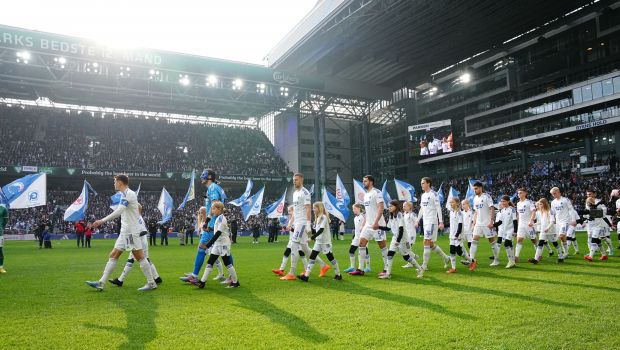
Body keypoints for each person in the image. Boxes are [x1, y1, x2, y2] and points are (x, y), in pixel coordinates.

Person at [85, 174, 157, 291]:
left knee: (140, 257)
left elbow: (119, 211)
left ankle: (151, 283)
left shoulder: (130, 194)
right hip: (124, 233)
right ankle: (101, 282)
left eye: (115, 181)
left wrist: (102, 221)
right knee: (113, 255)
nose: (114, 184)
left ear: (120, 182)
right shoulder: (124, 194)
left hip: (130, 232)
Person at [272, 173, 328, 280]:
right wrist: (290, 222)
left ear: (301, 180)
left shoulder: (305, 192)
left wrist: (307, 224)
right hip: (297, 222)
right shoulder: (295, 193)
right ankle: (323, 265)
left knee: (293, 245)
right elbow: (295, 211)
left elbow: (308, 209)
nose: (294, 181)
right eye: (293, 180)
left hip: (302, 223)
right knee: (305, 248)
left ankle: (291, 273)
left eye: (296, 180)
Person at [179, 169, 227, 283]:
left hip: (213, 224)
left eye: (203, 175)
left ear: (209, 176)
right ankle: (196, 275)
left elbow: (216, 206)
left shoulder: (212, 188)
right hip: (214, 223)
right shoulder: (215, 187)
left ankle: (195, 275)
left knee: (203, 248)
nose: (201, 177)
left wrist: (208, 222)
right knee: (224, 250)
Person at [108, 204, 163, 287]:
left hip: (139, 241)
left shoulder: (136, 217)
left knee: (134, 260)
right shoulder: (138, 216)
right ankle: (157, 278)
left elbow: (142, 231)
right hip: (141, 240)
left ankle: (121, 280)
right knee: (142, 259)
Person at [194, 202, 240, 288]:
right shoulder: (218, 218)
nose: (212, 210)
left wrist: (207, 245)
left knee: (227, 263)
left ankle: (235, 282)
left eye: (214, 209)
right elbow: (215, 228)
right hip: (218, 243)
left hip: (223, 244)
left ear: (219, 209)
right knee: (210, 262)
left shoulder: (222, 219)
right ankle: (202, 282)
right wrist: (208, 228)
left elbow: (218, 233)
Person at [350, 175, 389, 276]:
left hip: (378, 224)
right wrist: (365, 224)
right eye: (363, 181)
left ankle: (387, 269)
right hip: (368, 225)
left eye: (365, 181)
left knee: (382, 246)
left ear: (371, 182)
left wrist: (376, 222)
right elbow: (368, 211)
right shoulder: (366, 195)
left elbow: (381, 208)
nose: (363, 183)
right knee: (361, 244)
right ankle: (360, 269)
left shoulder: (377, 192)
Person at [414, 177, 449, 278]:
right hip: (425, 222)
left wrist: (441, 222)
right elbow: (422, 209)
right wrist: (417, 220)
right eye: (421, 183)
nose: (422, 185)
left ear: (428, 184)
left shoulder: (434, 194)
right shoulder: (423, 195)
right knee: (430, 244)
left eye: (423, 183)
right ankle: (446, 258)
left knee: (426, 242)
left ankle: (423, 267)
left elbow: (438, 208)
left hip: (432, 221)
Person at [297, 202, 342, 282]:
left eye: (314, 208)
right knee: (312, 256)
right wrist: (309, 230)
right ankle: (306, 276)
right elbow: (317, 230)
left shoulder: (323, 217)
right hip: (318, 242)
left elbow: (321, 230)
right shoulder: (317, 218)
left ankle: (338, 274)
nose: (313, 209)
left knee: (330, 257)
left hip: (325, 242)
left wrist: (312, 238)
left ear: (319, 208)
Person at [378, 200, 422, 279]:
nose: (389, 208)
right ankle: (388, 274)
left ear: (396, 206)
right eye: (389, 206)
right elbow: (388, 228)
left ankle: (420, 268)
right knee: (390, 254)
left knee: (406, 257)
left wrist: (398, 241)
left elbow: (401, 229)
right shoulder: (391, 216)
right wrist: (378, 227)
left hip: (402, 239)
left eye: (391, 206)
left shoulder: (399, 215)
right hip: (395, 238)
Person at [469, 181, 499, 271]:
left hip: (487, 223)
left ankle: (496, 260)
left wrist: (491, 221)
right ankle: (471, 260)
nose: (475, 190)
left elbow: (492, 208)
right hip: (478, 223)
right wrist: (474, 223)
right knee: (474, 240)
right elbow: (476, 212)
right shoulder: (475, 199)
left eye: (476, 188)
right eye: (474, 189)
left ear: (481, 188)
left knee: (492, 241)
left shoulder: (486, 196)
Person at [550, 187, 575, 262]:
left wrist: (573, 219)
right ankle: (566, 252)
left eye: (554, 193)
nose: (553, 195)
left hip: (565, 221)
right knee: (561, 237)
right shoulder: (553, 202)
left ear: (558, 192)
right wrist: (552, 220)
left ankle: (565, 252)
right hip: (558, 222)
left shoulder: (565, 200)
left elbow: (571, 209)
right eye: (552, 194)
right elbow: (552, 213)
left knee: (561, 236)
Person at [344, 203, 371, 273]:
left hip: (364, 237)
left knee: (365, 252)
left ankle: (368, 267)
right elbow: (357, 228)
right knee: (351, 251)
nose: (353, 210)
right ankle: (352, 267)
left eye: (354, 209)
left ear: (359, 208)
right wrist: (354, 236)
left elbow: (367, 222)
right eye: (353, 209)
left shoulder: (363, 216)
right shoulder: (355, 218)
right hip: (356, 238)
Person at [446, 197, 470, 273]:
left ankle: (472, 261)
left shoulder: (459, 213)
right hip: (452, 235)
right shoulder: (451, 212)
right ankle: (453, 268)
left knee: (459, 252)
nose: (451, 204)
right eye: (450, 202)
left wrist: (457, 234)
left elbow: (460, 225)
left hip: (458, 235)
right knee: (452, 251)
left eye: (452, 202)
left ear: (457, 203)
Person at [515, 188, 538, 262]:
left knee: (534, 240)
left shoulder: (529, 202)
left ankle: (538, 255)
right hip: (521, 225)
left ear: (525, 193)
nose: (519, 194)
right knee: (519, 240)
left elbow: (534, 211)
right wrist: (518, 223)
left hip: (529, 225)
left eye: (521, 193)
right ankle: (516, 257)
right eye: (518, 193)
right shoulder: (518, 203)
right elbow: (518, 214)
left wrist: (531, 221)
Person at [528, 199, 554, 264]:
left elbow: (552, 221)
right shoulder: (541, 212)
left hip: (550, 230)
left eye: (541, 204)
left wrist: (548, 228)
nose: (539, 206)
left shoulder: (550, 211)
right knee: (540, 243)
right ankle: (536, 259)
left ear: (545, 204)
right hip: (543, 230)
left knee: (555, 242)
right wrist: (533, 224)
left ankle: (561, 256)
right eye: (539, 204)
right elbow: (540, 222)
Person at [494, 195, 517, 269]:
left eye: (504, 201)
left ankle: (510, 261)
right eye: (501, 201)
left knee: (506, 244)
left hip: (511, 230)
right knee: (509, 245)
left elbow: (515, 220)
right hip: (505, 231)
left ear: (508, 201)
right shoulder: (502, 210)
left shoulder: (512, 209)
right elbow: (500, 222)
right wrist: (492, 225)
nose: (502, 202)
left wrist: (515, 231)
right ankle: (513, 262)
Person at [401, 201, 418, 268]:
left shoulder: (412, 214)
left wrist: (416, 223)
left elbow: (416, 220)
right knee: (407, 249)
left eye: (405, 206)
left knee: (407, 249)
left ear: (409, 207)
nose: (403, 207)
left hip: (411, 235)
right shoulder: (404, 214)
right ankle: (414, 257)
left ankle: (411, 263)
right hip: (406, 235)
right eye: (403, 206)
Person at [0, 203, 8, 273]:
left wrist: (1, 228)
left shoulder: (3, 209)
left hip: (0, 233)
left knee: (0, 250)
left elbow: (5, 221)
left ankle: (1, 267)